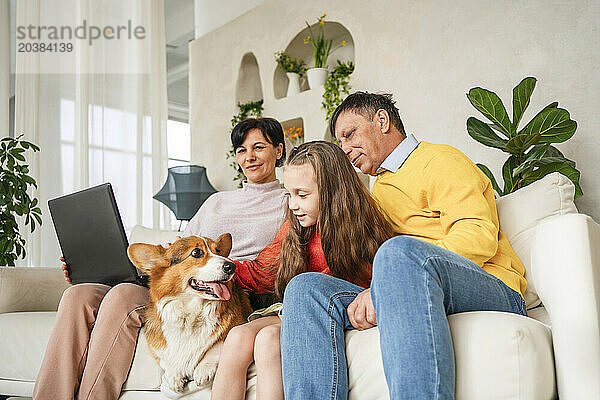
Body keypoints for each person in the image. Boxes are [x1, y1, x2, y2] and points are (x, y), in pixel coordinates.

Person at [280, 92, 528, 400]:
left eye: (349, 134)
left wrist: (390, 276)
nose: (344, 148)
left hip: (491, 285)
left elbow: (478, 234)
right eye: (339, 141)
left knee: (397, 253)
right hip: (409, 284)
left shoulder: (438, 159)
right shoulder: (377, 189)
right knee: (305, 289)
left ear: (382, 121)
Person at [33, 117, 288, 400]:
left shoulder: (289, 203)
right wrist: (89, 268)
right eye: (241, 150)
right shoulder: (217, 201)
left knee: (120, 298)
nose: (249, 157)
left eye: (258, 147)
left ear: (278, 151)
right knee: (77, 294)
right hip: (176, 279)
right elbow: (183, 247)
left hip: (224, 283)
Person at [210, 141, 394, 400]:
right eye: (289, 194)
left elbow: (381, 283)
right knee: (238, 337)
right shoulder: (295, 228)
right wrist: (211, 268)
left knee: (267, 341)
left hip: (335, 311)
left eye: (302, 195)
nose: (294, 205)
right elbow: (260, 273)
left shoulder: (363, 228)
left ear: (331, 191)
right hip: (293, 310)